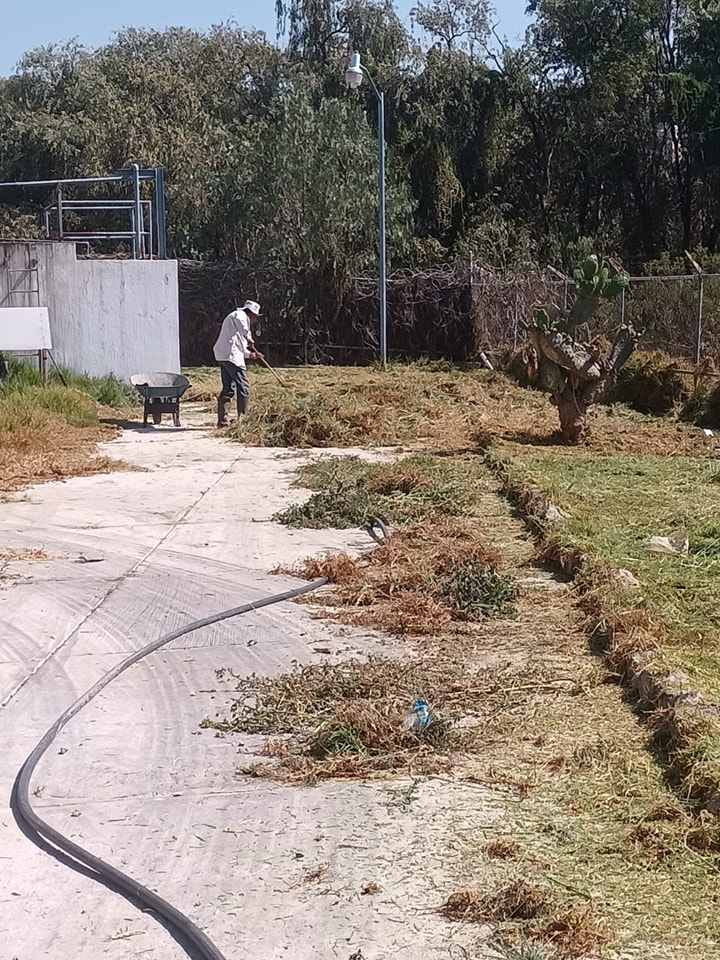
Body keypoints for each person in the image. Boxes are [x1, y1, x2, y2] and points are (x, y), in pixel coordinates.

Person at [213, 300, 262, 427]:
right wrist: (250, 338)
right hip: (230, 356)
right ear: (251, 313)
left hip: (224, 355)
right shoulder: (239, 315)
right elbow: (244, 331)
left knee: (228, 388)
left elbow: (239, 345)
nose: (254, 320)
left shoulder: (237, 326)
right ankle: (243, 419)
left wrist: (250, 354)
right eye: (255, 317)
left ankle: (223, 421)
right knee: (243, 386)